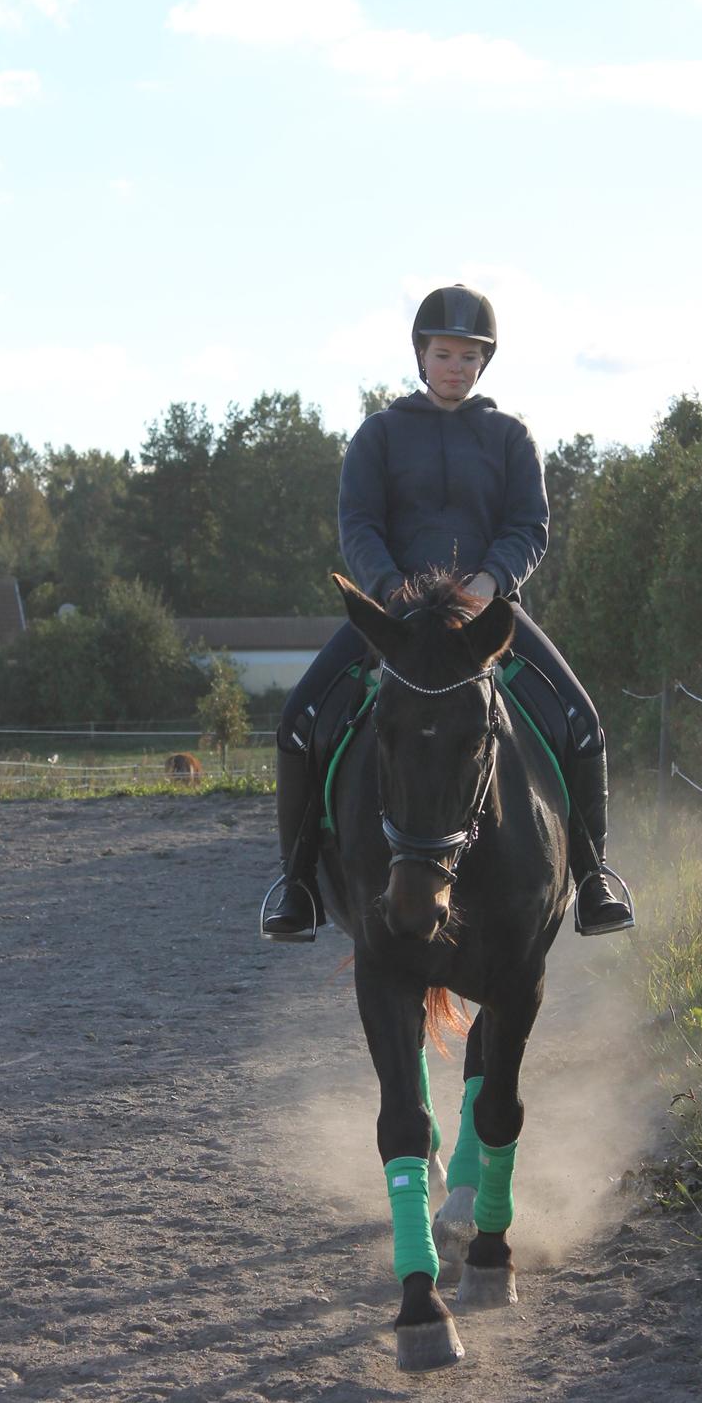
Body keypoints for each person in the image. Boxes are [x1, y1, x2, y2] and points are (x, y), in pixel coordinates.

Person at [261, 282, 633, 941]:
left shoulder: (509, 436)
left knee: (581, 723)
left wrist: (491, 582)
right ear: (420, 356)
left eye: (468, 357)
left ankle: (592, 876)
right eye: (443, 354)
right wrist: (392, 592)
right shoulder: (378, 435)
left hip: (485, 622)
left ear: (482, 364)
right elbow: (359, 524)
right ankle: (294, 885)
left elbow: (528, 526)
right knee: (297, 721)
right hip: (396, 623)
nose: (455, 367)